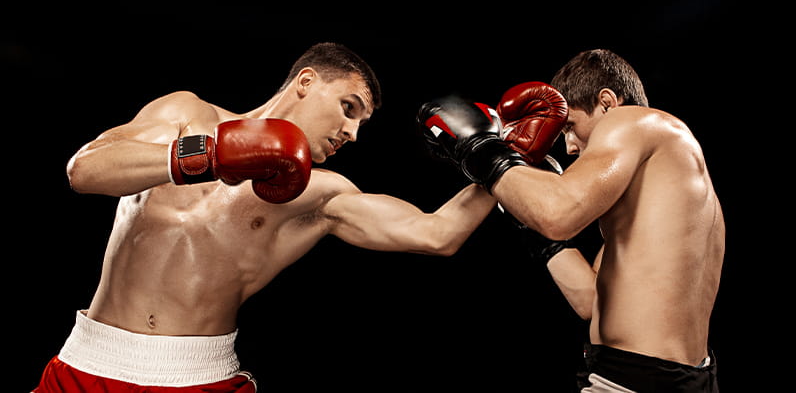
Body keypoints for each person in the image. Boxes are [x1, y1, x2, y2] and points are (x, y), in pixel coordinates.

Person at [33, 42, 512, 392]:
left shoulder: (317, 192)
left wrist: (500, 158)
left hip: (199, 377)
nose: (352, 132)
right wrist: (211, 155)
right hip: (85, 364)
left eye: (361, 124)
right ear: (306, 82)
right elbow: (85, 169)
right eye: (348, 108)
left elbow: (436, 235)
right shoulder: (186, 114)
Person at [417, 50, 724, 392]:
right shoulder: (666, 191)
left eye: (570, 127)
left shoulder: (636, 121)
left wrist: (482, 148)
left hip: (633, 377)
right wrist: (533, 228)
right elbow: (590, 299)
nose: (570, 147)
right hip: (680, 376)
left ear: (607, 102)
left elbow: (557, 214)